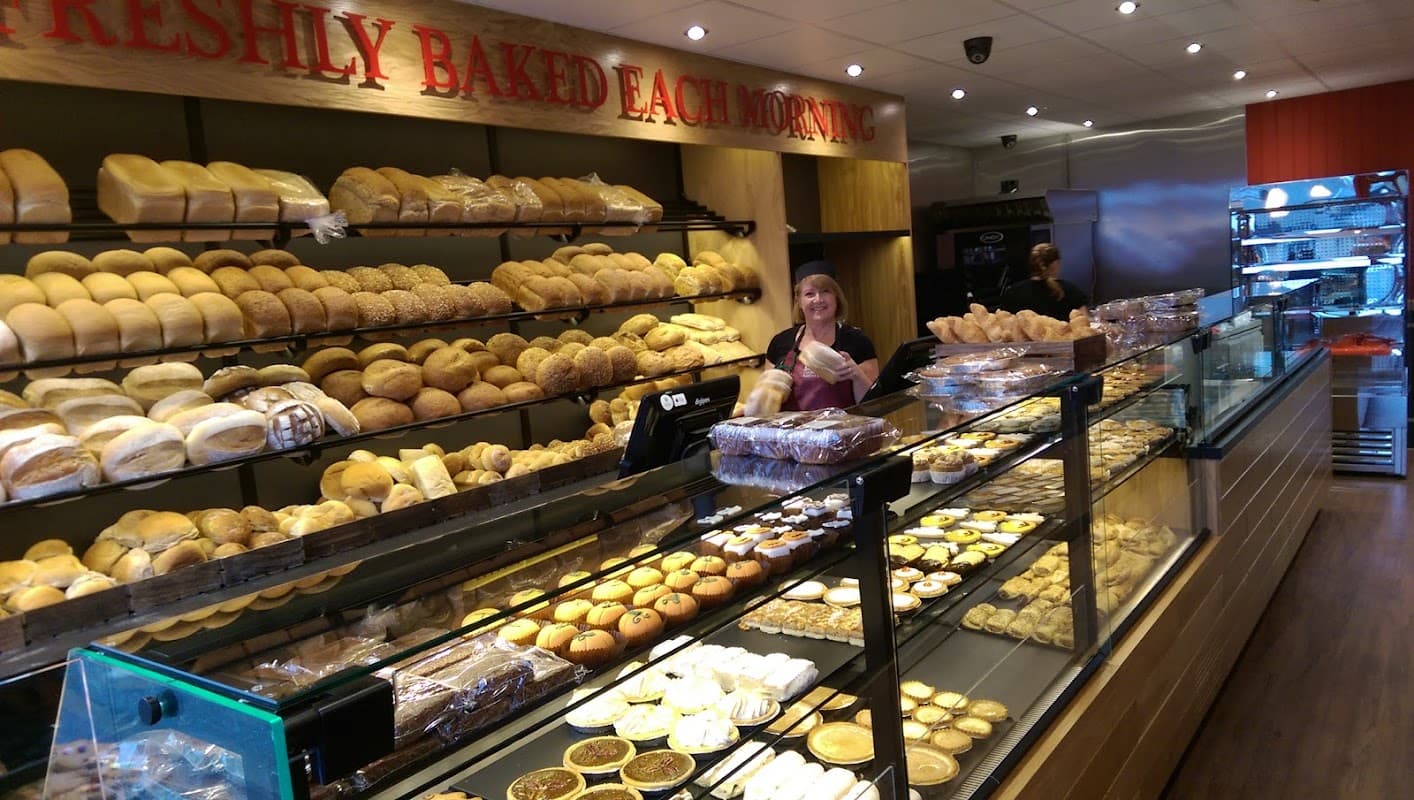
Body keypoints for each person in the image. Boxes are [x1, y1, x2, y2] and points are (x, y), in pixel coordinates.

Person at [766, 263, 880, 410]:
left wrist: (856, 375)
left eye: (825, 291)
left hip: (842, 431)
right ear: (799, 301)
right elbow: (768, 403)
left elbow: (873, 405)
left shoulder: (857, 341)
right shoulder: (780, 342)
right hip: (793, 431)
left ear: (836, 298)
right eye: (809, 294)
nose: (818, 299)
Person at [999, 243, 1088, 319]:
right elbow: (1084, 323)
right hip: (1065, 339)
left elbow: (1004, 324)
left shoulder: (1013, 292)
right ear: (1055, 264)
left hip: (1025, 340)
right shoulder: (1070, 291)